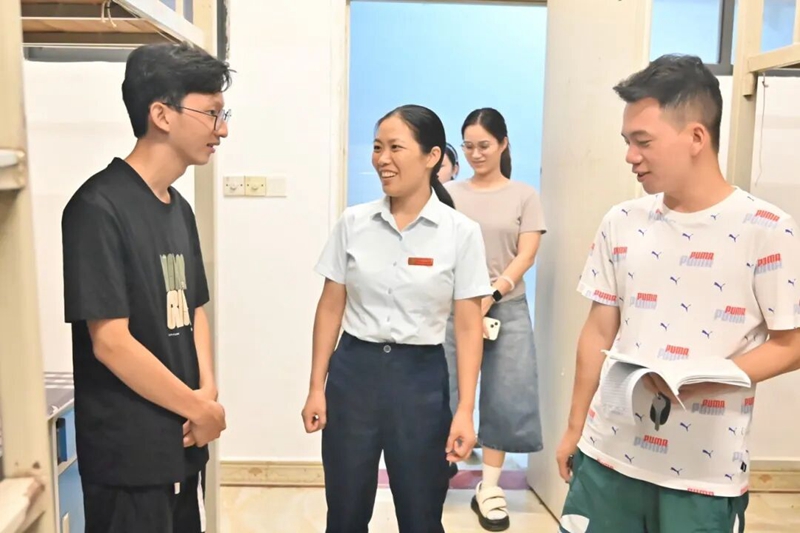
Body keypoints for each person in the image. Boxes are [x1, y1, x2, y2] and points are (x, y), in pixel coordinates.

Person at [556, 54, 800, 533]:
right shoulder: (621, 222)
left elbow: (791, 344)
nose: (630, 156)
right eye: (627, 142)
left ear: (696, 137)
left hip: (703, 476)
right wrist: (574, 428)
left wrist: (702, 380)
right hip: (606, 457)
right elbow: (597, 331)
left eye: (643, 141)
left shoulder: (768, 229)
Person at [61, 42, 232, 533]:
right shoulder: (97, 208)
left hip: (182, 442)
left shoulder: (179, 207)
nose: (222, 129)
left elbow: (194, 308)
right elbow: (111, 342)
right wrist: (198, 407)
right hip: (128, 461)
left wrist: (207, 392)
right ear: (161, 114)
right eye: (212, 113)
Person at [301, 104, 493, 533]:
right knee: (345, 513)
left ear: (432, 156)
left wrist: (465, 410)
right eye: (377, 147)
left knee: (421, 514)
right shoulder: (353, 223)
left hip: (419, 380)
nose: (382, 159)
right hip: (353, 375)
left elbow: (468, 327)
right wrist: (316, 387)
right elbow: (330, 307)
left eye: (395, 148)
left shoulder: (460, 232)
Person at [444, 107, 546, 531]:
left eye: (484, 145)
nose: (475, 154)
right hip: (454, 307)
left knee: (505, 395)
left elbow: (527, 253)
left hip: (506, 306)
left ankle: (488, 486)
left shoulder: (523, 195)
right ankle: (436, 468)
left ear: (503, 144)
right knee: (444, 388)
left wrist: (495, 292)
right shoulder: (448, 193)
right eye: (468, 146)